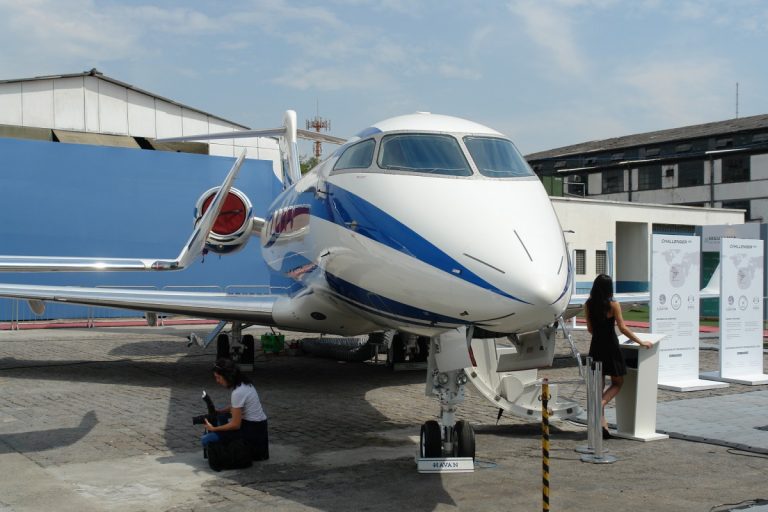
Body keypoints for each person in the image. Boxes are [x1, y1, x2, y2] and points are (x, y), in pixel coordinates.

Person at [584, 274, 651, 439]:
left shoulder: (588, 304)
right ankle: (601, 404)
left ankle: (602, 426)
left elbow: (590, 329)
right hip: (611, 347)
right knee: (618, 382)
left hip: (596, 346)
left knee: (598, 385)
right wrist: (641, 341)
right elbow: (622, 328)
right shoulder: (613, 304)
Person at [202, 358, 269, 461]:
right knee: (221, 417)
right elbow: (236, 407)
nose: (217, 381)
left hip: (252, 431)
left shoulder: (238, 392)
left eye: (218, 377)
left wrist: (214, 429)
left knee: (205, 439)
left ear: (227, 376)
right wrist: (221, 411)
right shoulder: (245, 383)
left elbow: (235, 425)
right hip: (259, 427)